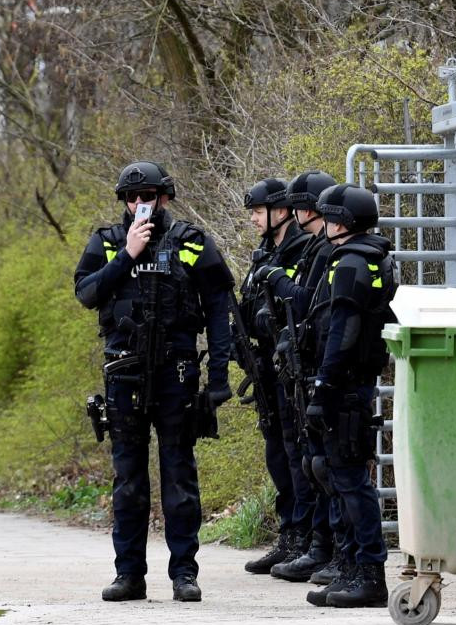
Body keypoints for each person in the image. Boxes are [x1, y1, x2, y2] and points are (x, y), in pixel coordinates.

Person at [74, 161, 234, 602]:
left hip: (176, 373)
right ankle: (129, 574)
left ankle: (184, 572)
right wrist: (127, 254)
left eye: (147, 196)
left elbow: (220, 307)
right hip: (124, 373)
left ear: (164, 197)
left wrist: (218, 377)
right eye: (132, 197)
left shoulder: (191, 242)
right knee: (128, 479)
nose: (139, 205)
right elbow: (87, 294)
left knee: (179, 475)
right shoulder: (107, 242)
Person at [303, 184, 397, 607]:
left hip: (345, 384)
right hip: (353, 381)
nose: (321, 224)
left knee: (349, 479)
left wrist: (324, 383)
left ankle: (369, 573)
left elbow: (343, 329)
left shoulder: (350, 262)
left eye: (326, 217)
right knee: (338, 474)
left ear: (339, 221)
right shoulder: (370, 256)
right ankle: (351, 565)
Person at [254, 171, 348, 586]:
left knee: (319, 464)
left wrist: (275, 279)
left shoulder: (322, 252)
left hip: (321, 371)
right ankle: (313, 543)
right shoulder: (310, 250)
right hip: (289, 365)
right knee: (297, 458)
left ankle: (327, 549)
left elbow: (308, 304)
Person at [236, 178, 316, 578]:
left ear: (281, 211)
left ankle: (304, 535)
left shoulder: (301, 250)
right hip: (266, 364)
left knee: (296, 449)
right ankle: (289, 533)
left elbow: (297, 305)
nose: (252, 218)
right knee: (277, 451)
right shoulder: (264, 252)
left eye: (257, 211)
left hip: (291, 364)